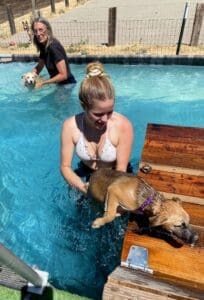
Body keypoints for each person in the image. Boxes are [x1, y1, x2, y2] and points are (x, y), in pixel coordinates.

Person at [60, 61, 134, 194]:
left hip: (116, 174)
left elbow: (121, 170)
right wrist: (82, 187)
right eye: (98, 114)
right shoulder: (70, 126)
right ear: (83, 106)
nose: (105, 119)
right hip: (86, 172)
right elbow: (65, 167)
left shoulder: (123, 126)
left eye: (110, 111)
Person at [31, 17, 76, 88]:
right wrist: (31, 75)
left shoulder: (53, 47)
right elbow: (40, 66)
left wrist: (43, 83)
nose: (38, 34)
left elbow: (63, 75)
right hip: (59, 84)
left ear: (48, 30)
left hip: (67, 84)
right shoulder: (44, 46)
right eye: (35, 31)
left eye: (40, 30)